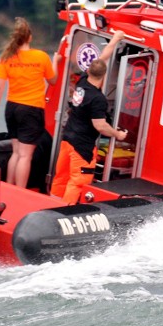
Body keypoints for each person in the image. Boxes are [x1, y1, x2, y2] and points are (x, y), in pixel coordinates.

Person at [51, 30, 126, 204]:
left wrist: (114, 40)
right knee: (77, 182)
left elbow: (103, 58)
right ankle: (64, 212)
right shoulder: (98, 99)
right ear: (104, 76)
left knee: (60, 178)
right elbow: (100, 126)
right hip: (82, 146)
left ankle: (51, 204)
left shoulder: (82, 81)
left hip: (67, 139)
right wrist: (118, 134)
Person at [0, 17, 60, 188]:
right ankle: (20, 191)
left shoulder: (6, 58)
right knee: (25, 156)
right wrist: (55, 62)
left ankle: (10, 186)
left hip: (12, 108)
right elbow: (53, 80)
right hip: (31, 109)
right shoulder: (41, 57)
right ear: (29, 37)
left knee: (16, 153)